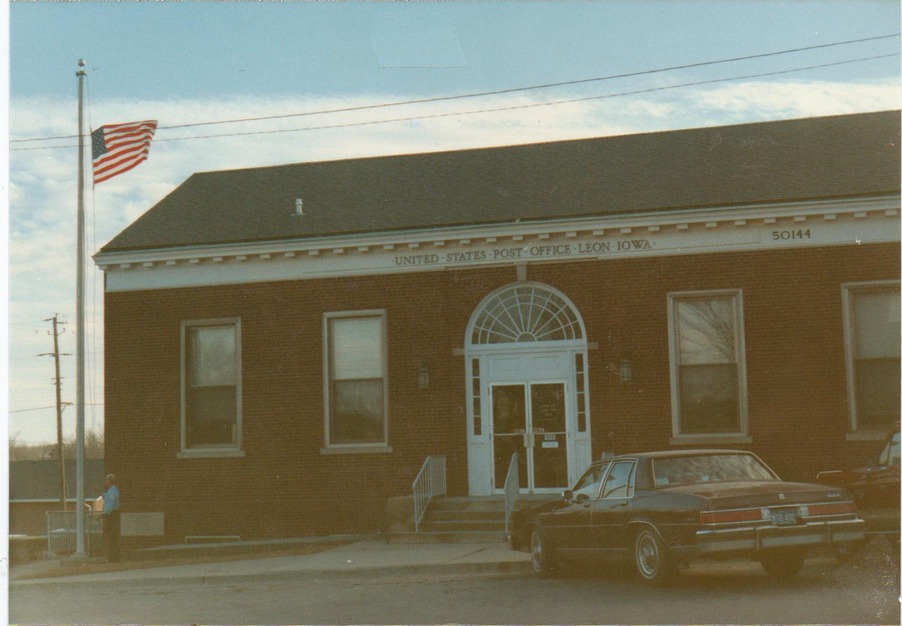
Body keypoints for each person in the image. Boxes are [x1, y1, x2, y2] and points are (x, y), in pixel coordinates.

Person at [102, 473, 121, 562]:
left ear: (110, 481)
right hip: (110, 515)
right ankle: (111, 557)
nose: (105, 482)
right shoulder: (110, 491)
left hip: (112, 515)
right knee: (110, 536)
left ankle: (112, 558)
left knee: (111, 537)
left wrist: (103, 514)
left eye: (106, 480)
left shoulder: (113, 492)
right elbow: (106, 497)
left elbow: (110, 505)